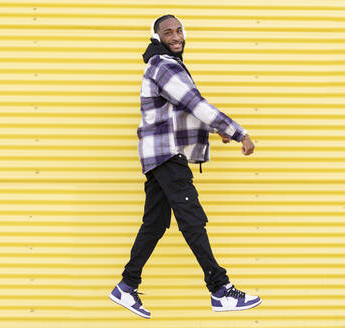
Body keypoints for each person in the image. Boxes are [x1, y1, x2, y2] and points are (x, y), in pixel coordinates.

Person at [108, 14, 261, 319]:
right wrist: (236, 131)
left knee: (155, 223)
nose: (175, 36)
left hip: (158, 156)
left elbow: (177, 114)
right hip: (167, 157)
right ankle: (220, 289)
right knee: (192, 219)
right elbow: (195, 103)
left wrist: (213, 130)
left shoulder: (161, 64)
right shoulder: (165, 65)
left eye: (179, 30)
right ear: (157, 36)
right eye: (168, 32)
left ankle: (126, 285)